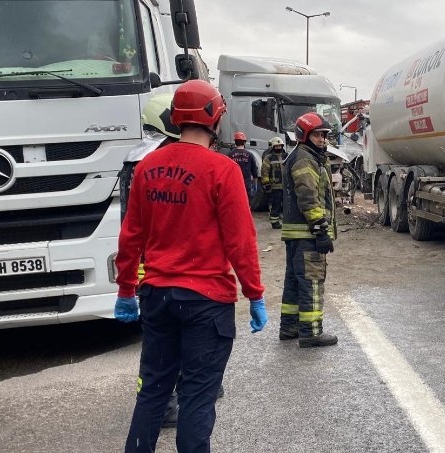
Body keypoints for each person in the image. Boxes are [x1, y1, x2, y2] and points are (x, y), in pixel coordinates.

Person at [114, 79, 268, 452]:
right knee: (197, 398)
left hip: (157, 297)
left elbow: (130, 235)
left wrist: (125, 291)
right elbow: (240, 241)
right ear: (214, 116)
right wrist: (254, 294)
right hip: (205, 302)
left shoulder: (148, 167)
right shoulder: (223, 169)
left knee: (152, 391)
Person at [279, 112, 338, 348]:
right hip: (308, 234)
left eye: (324, 136)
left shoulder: (303, 155)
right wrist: (320, 231)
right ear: (304, 135)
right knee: (312, 282)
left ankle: (289, 327)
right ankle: (311, 332)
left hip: (296, 235)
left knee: (294, 282)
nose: (322, 140)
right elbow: (308, 197)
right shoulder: (305, 158)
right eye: (317, 135)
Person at [262, 136, 287, 229]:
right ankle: (275, 222)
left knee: (287, 205)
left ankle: (287, 220)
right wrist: (266, 184)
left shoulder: (286, 156)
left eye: (280, 146)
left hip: (286, 186)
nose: (278, 148)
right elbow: (265, 171)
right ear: (273, 147)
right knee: (276, 205)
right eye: (276, 146)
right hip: (275, 187)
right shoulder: (268, 158)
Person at [229, 131, 259, 201]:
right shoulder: (250, 155)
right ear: (244, 142)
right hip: (246, 185)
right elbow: (255, 171)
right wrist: (255, 185)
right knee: (246, 203)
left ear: (235, 142)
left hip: (234, 185)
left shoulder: (229, 155)